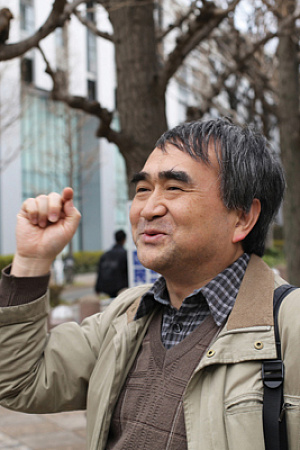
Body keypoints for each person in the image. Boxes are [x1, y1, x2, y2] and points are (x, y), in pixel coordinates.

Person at [0, 117, 299, 450]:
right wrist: (32, 260)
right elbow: (19, 382)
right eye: (142, 189)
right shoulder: (125, 315)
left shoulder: (290, 327)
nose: (148, 209)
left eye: (174, 188)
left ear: (242, 217)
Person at [95, 229, 128, 297]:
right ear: (124, 239)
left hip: (107, 288)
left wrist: (97, 288)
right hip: (121, 288)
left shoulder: (105, 255)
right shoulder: (125, 254)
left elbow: (99, 272)